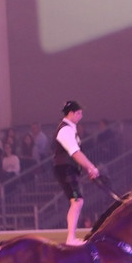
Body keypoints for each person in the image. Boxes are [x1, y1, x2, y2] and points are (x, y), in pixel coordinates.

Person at [53, 101, 101, 246]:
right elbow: (74, 152)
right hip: (65, 168)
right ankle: (71, 238)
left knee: (77, 201)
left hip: (69, 168)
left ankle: (71, 237)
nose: (81, 116)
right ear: (72, 113)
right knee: (77, 201)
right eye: (79, 113)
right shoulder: (65, 130)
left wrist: (87, 168)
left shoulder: (69, 129)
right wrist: (91, 167)